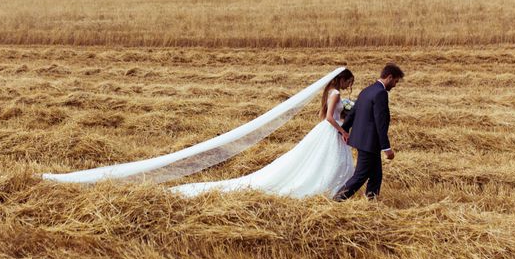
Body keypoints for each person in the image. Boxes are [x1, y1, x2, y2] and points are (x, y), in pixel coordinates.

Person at [171, 68, 357, 198]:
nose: (349, 86)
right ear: (341, 79)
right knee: (327, 160)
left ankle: (334, 187)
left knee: (321, 159)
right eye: (348, 82)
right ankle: (330, 188)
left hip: (325, 131)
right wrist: (343, 129)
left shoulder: (329, 92)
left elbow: (321, 114)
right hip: (331, 129)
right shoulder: (336, 94)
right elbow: (328, 118)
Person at [333, 63, 404, 201]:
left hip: (364, 140)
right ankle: (337, 199)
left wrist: (345, 129)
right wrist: (387, 148)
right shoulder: (381, 93)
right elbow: (380, 122)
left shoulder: (367, 90)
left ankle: (371, 202)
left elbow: (353, 112)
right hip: (369, 142)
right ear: (389, 77)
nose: (395, 85)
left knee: (376, 174)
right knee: (360, 175)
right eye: (395, 81)